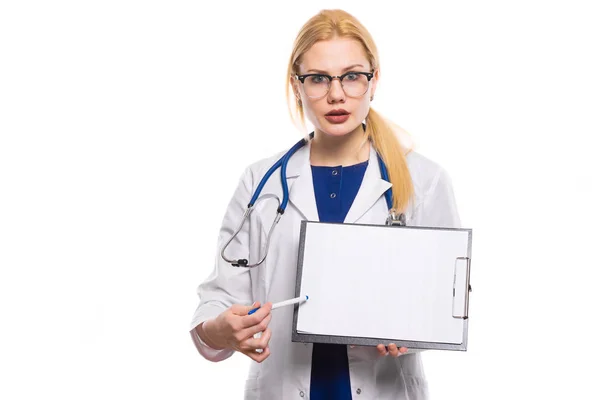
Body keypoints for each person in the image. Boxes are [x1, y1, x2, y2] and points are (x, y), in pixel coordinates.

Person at [189, 9, 461, 400]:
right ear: (296, 85)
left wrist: (412, 333)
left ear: (374, 81)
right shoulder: (260, 183)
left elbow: (445, 305)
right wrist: (218, 330)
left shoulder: (425, 181)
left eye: (351, 76)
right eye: (318, 78)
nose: (336, 94)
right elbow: (218, 298)